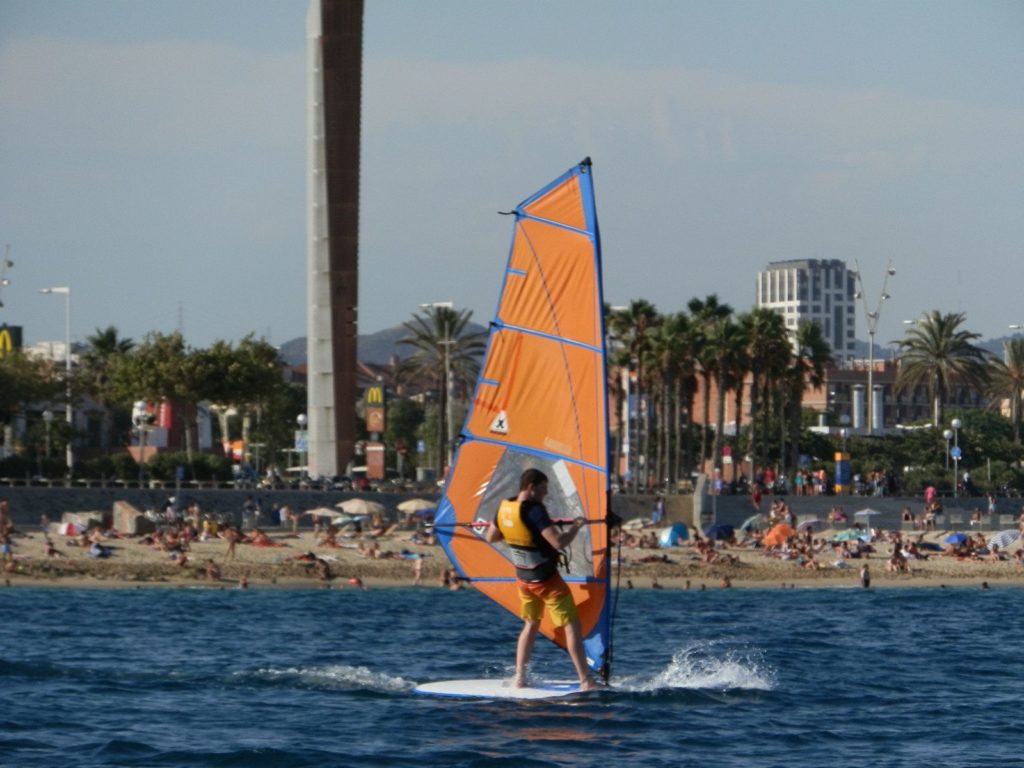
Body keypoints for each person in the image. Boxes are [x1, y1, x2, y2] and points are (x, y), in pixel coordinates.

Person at [484, 468, 599, 691]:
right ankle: (586, 681)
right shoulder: (535, 511)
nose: (545, 494)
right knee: (571, 626)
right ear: (531, 487)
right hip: (547, 582)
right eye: (544, 490)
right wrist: (576, 525)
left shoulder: (504, 507)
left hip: (524, 580)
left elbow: (492, 537)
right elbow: (559, 543)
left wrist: (517, 532)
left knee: (530, 624)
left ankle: (520, 679)